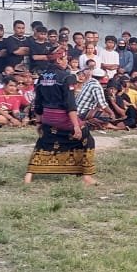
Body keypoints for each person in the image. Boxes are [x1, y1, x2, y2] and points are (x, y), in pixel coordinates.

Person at [25, 48, 97, 185]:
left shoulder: (42, 77)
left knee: (43, 141)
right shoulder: (67, 77)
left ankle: (28, 176)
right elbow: (70, 104)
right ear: (58, 59)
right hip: (62, 117)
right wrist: (76, 126)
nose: (67, 62)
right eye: (65, 59)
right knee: (87, 138)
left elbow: (38, 101)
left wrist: (39, 123)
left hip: (47, 116)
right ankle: (87, 177)